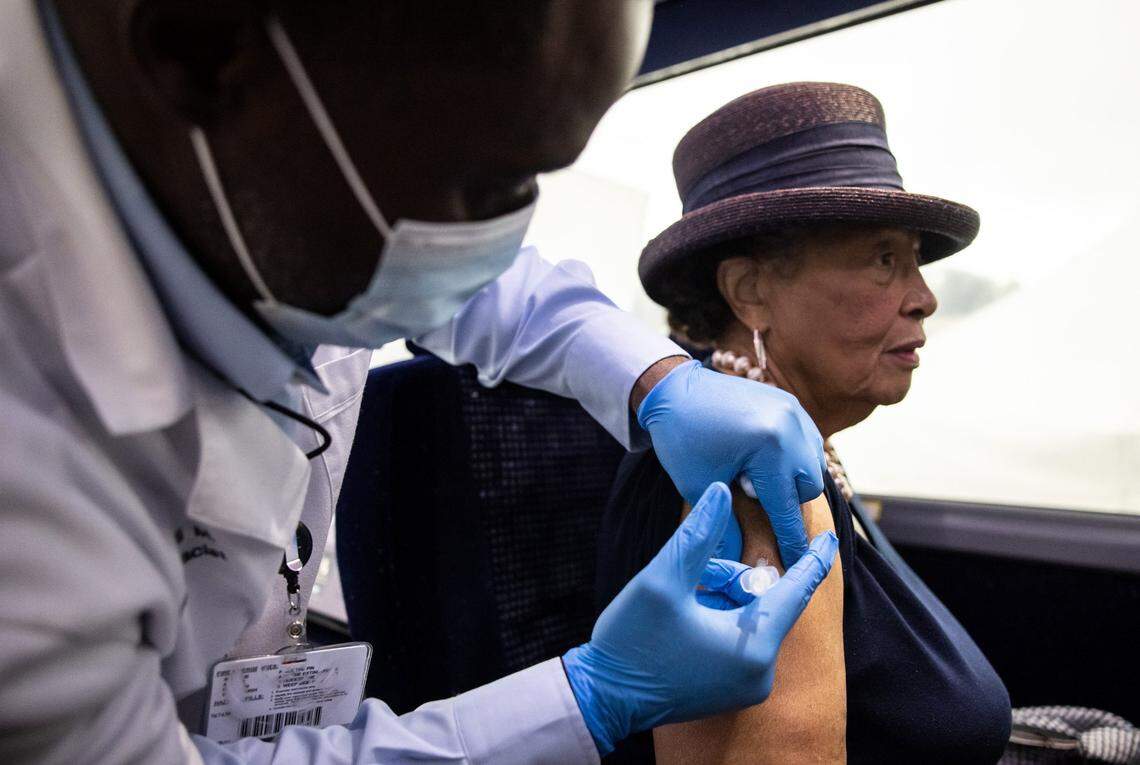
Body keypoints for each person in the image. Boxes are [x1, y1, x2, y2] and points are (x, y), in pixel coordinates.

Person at [0, 3, 840, 763]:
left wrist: (657, 379)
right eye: (489, 184)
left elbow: (480, 278)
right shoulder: (29, 463)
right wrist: (592, 695)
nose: (494, 236)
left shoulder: (279, 175)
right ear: (201, 53)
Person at [595, 82, 1012, 763]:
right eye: (885, 259)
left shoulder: (800, 453)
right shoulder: (737, 479)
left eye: (915, 260)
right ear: (750, 291)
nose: (926, 296)